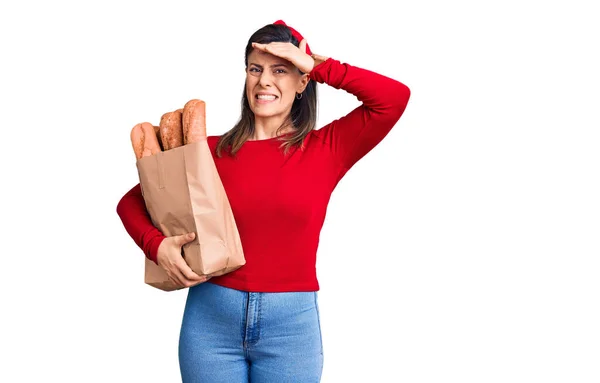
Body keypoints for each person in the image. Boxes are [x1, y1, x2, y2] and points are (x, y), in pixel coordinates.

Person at [116, 19, 410, 383]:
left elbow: (393, 98)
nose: (264, 80)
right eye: (255, 69)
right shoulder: (207, 152)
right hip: (210, 323)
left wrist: (319, 66)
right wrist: (156, 246)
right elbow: (131, 201)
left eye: (281, 69)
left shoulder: (326, 149)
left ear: (303, 81)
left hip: (291, 329)